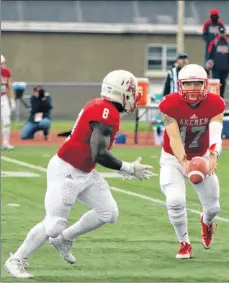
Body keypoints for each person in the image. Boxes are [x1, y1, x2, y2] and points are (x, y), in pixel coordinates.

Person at [5, 70, 154, 278]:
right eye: (130, 91)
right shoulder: (105, 112)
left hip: (83, 170)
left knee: (108, 213)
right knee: (54, 223)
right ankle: (16, 260)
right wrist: (128, 168)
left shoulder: (103, 107)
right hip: (67, 170)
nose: (133, 96)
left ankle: (64, 239)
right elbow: (99, 153)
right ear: (120, 92)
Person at [158, 64, 225, 259]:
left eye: (197, 83)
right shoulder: (169, 104)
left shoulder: (215, 103)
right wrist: (183, 160)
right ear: (180, 86)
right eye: (188, 84)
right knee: (175, 200)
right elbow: (174, 137)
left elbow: (215, 132)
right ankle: (184, 243)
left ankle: (206, 220)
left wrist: (213, 154)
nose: (193, 88)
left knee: (214, 208)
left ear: (205, 84)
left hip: (201, 155)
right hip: (173, 157)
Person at [206, 26, 229, 98]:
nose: (222, 34)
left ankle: (221, 100)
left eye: (223, 32)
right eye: (221, 32)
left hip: (225, 68)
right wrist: (209, 62)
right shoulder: (214, 42)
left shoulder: (228, 42)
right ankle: (216, 100)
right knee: (216, 86)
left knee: (223, 85)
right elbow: (210, 53)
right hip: (216, 68)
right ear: (219, 32)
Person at [1, 54, 16, 150]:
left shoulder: (6, 72)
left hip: (3, 98)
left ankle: (6, 143)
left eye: (3, 63)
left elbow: (9, 87)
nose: (3, 65)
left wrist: (12, 100)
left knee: (6, 121)